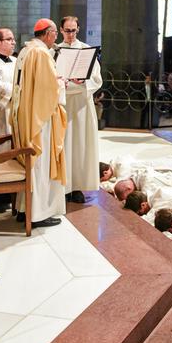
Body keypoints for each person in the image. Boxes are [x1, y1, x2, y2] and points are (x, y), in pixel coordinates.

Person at [11, 19, 67, 229]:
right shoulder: (41, 53)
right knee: (40, 163)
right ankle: (38, 213)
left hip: (26, 115)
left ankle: (25, 209)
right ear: (47, 33)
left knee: (33, 163)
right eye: (54, 33)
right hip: (39, 119)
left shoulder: (26, 51)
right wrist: (62, 83)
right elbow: (48, 90)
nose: (56, 38)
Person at [55, 16, 102, 204]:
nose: (70, 34)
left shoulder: (85, 50)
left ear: (78, 29)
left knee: (81, 145)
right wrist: (63, 83)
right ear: (60, 30)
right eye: (67, 30)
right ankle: (63, 187)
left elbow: (97, 78)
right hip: (63, 103)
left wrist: (84, 82)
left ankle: (77, 187)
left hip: (82, 104)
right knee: (65, 145)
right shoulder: (55, 51)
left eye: (73, 30)